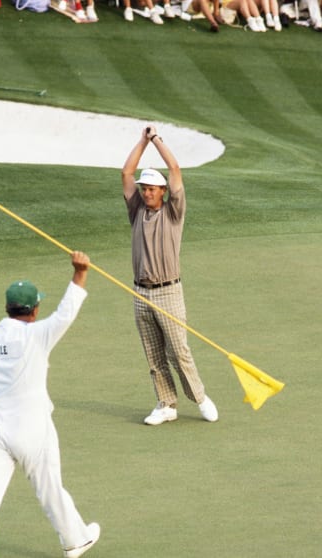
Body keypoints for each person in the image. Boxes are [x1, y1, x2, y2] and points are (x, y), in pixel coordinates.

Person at [0, 252, 101, 558]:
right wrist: (80, 273)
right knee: (50, 488)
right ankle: (75, 540)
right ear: (34, 310)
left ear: (7, 308)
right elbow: (66, 313)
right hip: (32, 426)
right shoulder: (36, 335)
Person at [121, 126, 219, 426]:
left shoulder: (173, 212)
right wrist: (140, 142)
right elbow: (126, 173)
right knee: (154, 354)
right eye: (144, 188)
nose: (146, 192)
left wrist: (156, 140)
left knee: (178, 350)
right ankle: (167, 403)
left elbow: (175, 169)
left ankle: (199, 397)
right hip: (141, 292)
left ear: (163, 192)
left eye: (152, 189)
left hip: (168, 291)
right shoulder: (137, 210)